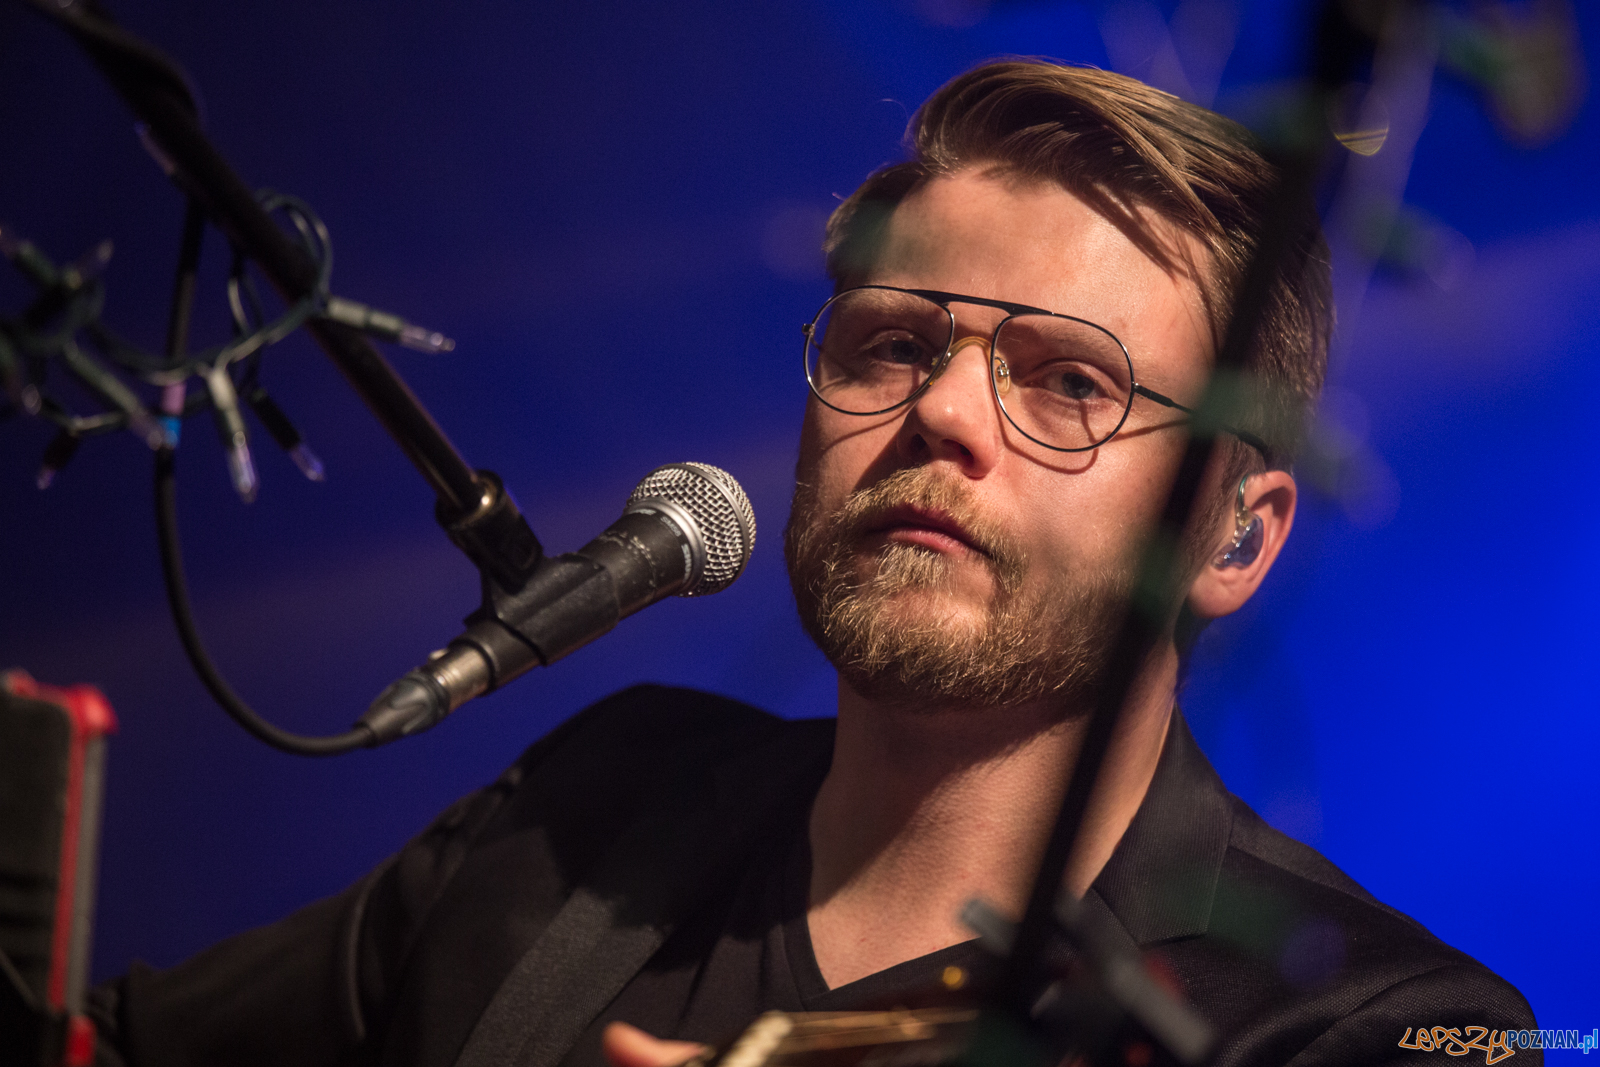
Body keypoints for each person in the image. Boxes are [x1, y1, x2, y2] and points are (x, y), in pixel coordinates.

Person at [90, 60, 1537, 1067]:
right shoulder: (595, 804)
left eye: (1071, 383)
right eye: (894, 345)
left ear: (1237, 535)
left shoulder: (1384, 1031)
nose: (942, 414)